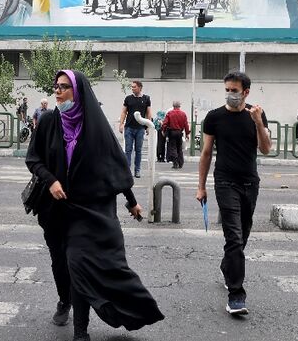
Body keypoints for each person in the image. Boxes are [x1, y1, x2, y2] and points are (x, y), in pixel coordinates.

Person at [26, 70, 164, 341]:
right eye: (56, 87)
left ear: (79, 92)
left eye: (64, 87)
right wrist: (51, 180)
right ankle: (64, 299)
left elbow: (115, 165)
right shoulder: (48, 123)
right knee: (59, 263)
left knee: (78, 263)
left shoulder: (95, 127)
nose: (58, 92)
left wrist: (132, 202)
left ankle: (81, 332)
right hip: (55, 210)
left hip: (88, 210)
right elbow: (34, 160)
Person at [196, 71, 270, 316]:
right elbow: (206, 153)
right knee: (234, 237)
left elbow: (266, 149)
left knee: (243, 234)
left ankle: (227, 266)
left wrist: (259, 122)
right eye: (227, 89)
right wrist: (201, 186)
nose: (230, 94)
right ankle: (236, 295)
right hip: (225, 181)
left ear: (246, 92)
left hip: (250, 183)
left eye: (234, 91)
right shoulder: (214, 117)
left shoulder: (256, 116)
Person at [119, 80, 152, 179]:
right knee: (128, 150)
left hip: (140, 128)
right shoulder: (128, 98)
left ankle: (137, 170)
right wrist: (121, 124)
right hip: (129, 127)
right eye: (132, 87)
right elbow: (124, 112)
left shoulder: (146, 99)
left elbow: (148, 113)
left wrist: (148, 126)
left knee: (138, 150)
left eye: (134, 87)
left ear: (140, 87)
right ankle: (127, 170)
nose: (132, 88)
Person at [162, 101, 190, 169]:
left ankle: (175, 162)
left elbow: (165, 123)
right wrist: (187, 134)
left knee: (173, 147)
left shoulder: (170, 113)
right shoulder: (183, 114)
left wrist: (163, 131)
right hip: (180, 132)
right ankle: (181, 162)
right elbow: (186, 124)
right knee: (179, 148)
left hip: (172, 132)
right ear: (179, 106)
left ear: (173, 106)